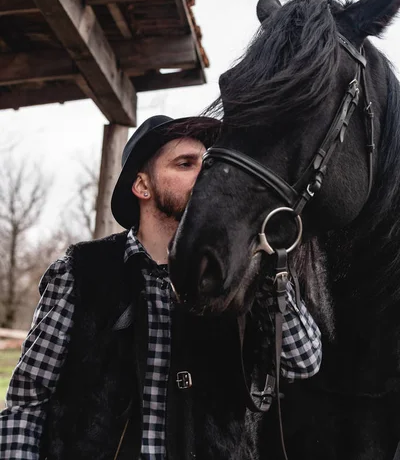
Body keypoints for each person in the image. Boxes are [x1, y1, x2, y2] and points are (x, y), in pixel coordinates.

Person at [0, 114, 322, 460]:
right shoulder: (80, 271)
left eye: (208, 163)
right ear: (142, 186)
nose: (205, 175)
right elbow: (28, 401)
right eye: (185, 164)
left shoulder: (239, 274)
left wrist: (267, 271)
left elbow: (302, 362)